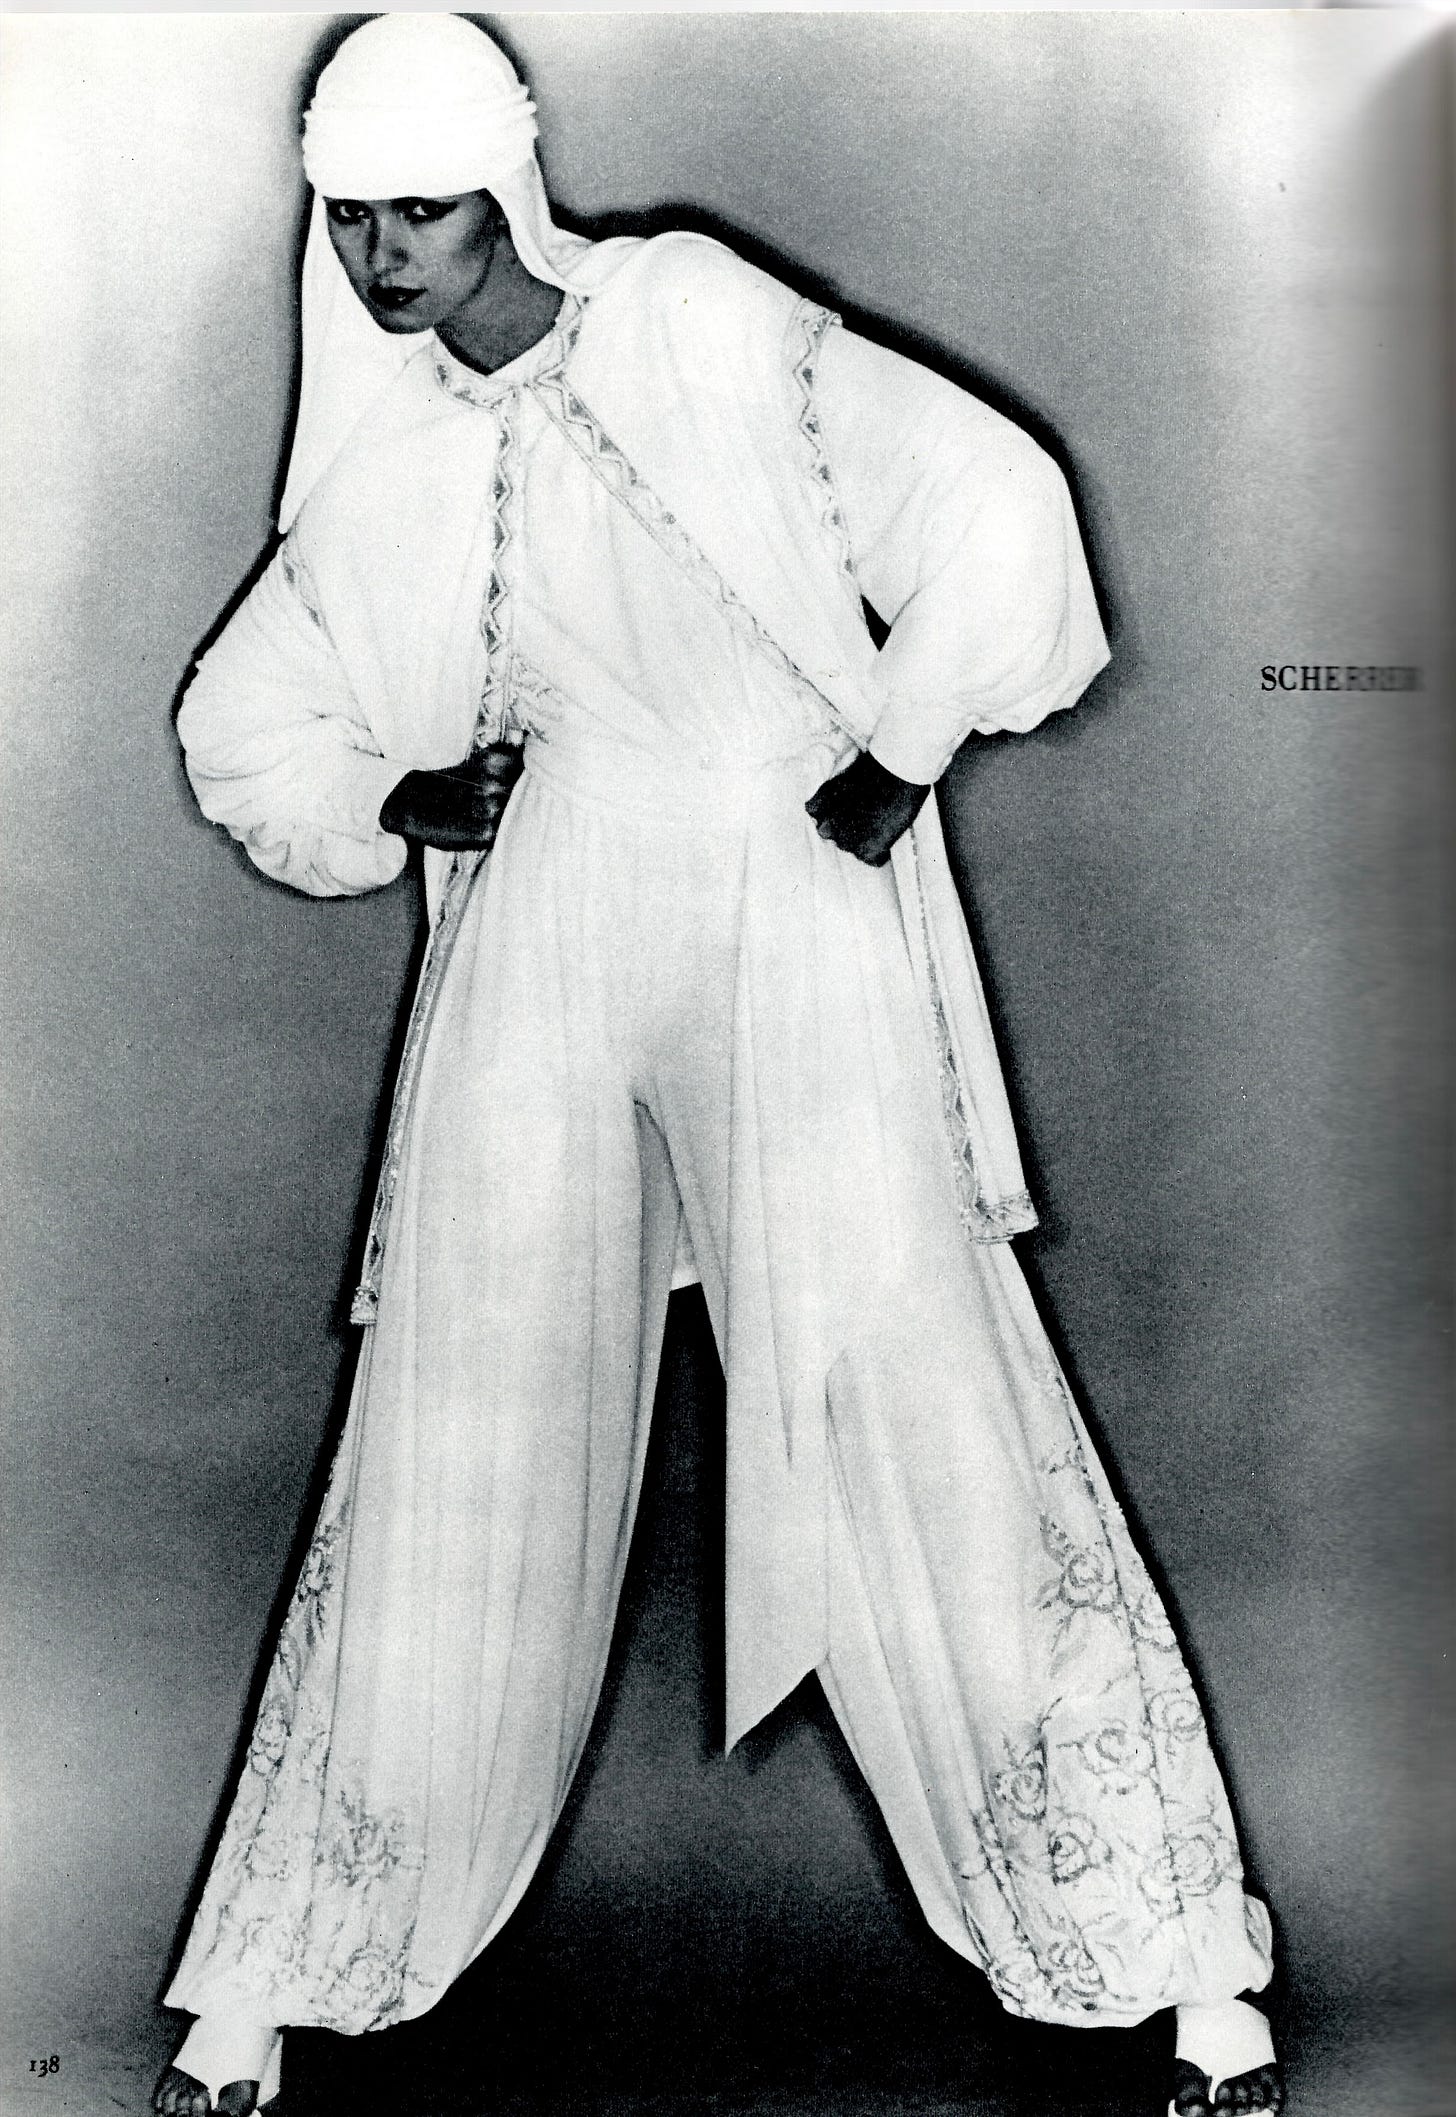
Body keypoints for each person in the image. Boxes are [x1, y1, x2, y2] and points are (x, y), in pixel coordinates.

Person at [154, 16, 1283, 2117]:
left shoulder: (686, 310)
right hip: (548, 934)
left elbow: (993, 497)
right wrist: (400, 798)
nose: (384, 257)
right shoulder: (387, 448)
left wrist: (903, 748)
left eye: (420, 209)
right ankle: (281, 1971)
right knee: (454, 1418)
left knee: (919, 1386)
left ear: (502, 188)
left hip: (786, 900)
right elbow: (247, 714)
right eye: (352, 217)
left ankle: (1174, 1958)